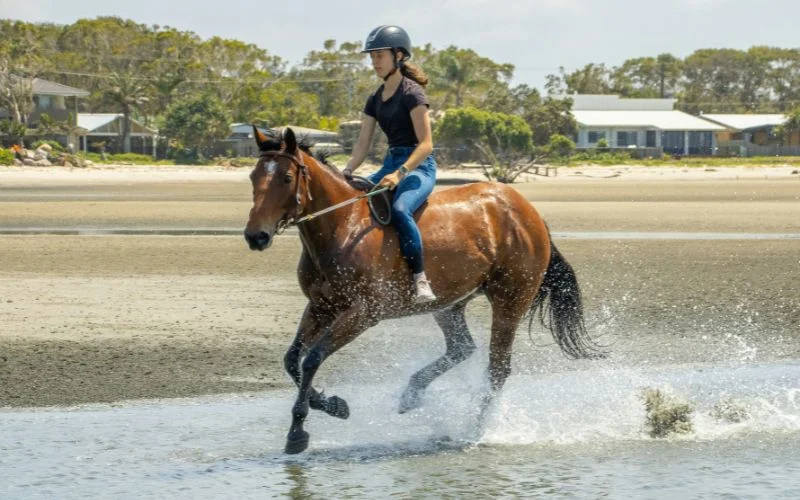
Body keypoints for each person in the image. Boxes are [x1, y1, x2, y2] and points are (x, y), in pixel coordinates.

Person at [343, 25, 437, 304]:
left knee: (399, 209)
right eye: (372, 57)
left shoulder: (412, 93)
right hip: (390, 163)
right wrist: (346, 171)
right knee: (354, 198)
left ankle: (420, 279)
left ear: (398, 55)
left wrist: (400, 173)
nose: (374, 62)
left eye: (379, 56)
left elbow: (426, 145)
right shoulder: (375, 98)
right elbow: (362, 144)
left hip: (418, 167)